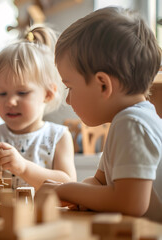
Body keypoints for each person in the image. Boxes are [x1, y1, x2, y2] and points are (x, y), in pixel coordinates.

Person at [38, 7, 162, 222]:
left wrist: (65, 191)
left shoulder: (132, 124)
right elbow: (99, 182)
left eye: (69, 87)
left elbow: (130, 203)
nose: (67, 100)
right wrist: (73, 193)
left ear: (103, 85)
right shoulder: (127, 120)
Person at [0, 25, 76, 190]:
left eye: (22, 93)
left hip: (43, 215)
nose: (10, 102)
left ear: (48, 94)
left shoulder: (58, 136)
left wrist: (24, 168)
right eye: (1, 94)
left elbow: (69, 184)